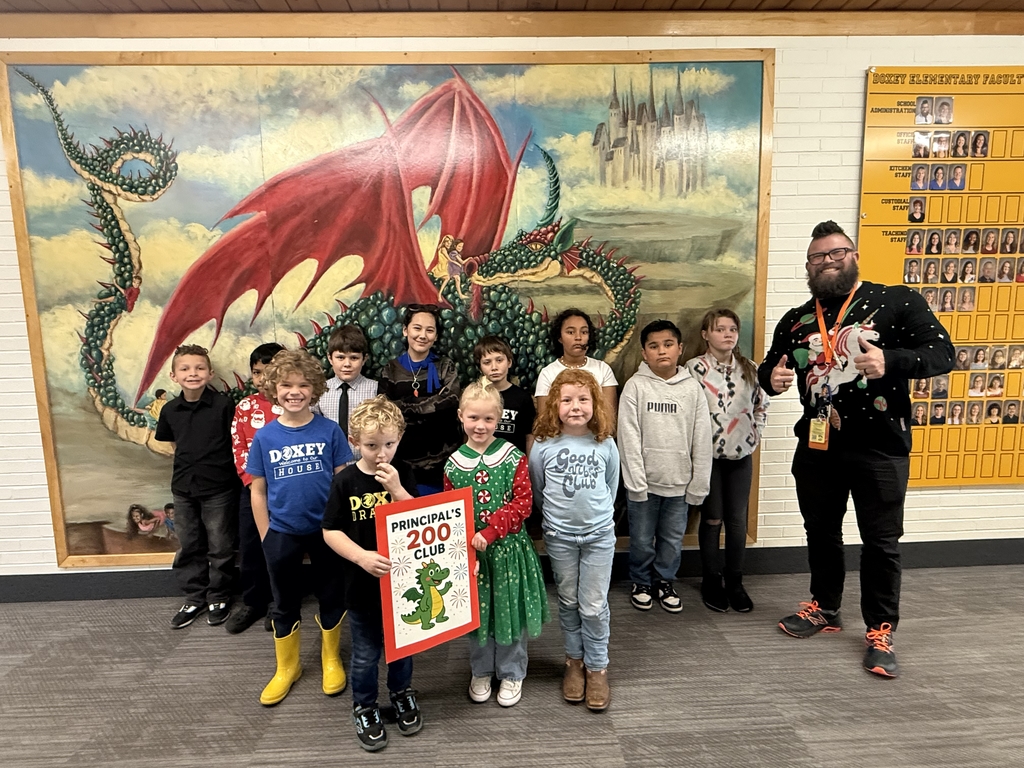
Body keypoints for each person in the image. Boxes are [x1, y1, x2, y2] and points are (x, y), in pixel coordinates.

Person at [759, 220, 954, 678]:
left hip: (880, 448)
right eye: (817, 257)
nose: (827, 262)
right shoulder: (797, 318)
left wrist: (892, 361)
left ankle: (880, 629)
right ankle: (824, 608)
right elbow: (771, 366)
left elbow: (943, 353)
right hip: (816, 444)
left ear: (855, 255)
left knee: (880, 543)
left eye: (835, 253)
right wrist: (774, 378)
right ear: (808, 266)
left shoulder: (896, 301)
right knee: (820, 531)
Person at [246, 349, 353, 706]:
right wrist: (266, 537)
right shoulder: (265, 437)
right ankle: (286, 668)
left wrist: (342, 528)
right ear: (274, 389)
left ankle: (331, 659)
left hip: (326, 531)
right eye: (287, 385)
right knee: (284, 601)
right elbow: (257, 491)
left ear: (315, 389)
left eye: (303, 384)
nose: (295, 391)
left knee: (332, 594)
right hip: (282, 532)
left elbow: (342, 483)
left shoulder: (330, 431)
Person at [321, 396, 421, 751]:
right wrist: (361, 557)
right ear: (354, 443)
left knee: (403, 648)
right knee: (365, 653)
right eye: (372, 445)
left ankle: (401, 693)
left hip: (402, 584)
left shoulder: (402, 472)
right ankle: (364, 706)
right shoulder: (345, 481)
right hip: (362, 584)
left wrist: (395, 488)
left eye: (389, 444)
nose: (382, 453)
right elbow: (330, 530)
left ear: (400, 439)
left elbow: (418, 518)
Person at [444, 379, 548, 709]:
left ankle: (512, 671)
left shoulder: (512, 456)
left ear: (499, 419)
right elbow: (450, 513)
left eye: (488, 419)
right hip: (473, 557)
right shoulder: (452, 464)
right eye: (474, 418)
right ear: (461, 416)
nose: (481, 425)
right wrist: (466, 546)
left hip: (508, 552)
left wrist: (490, 532)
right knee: (478, 615)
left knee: (509, 612)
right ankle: (481, 670)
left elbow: (523, 503)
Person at [529, 369, 619, 711]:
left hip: (599, 537)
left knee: (593, 606)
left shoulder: (604, 442)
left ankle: (597, 667)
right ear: (555, 405)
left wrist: (595, 517)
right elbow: (539, 490)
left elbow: (612, 486)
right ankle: (574, 663)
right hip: (560, 537)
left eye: (583, 400)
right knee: (568, 602)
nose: (575, 407)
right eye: (567, 400)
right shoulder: (543, 446)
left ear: (595, 403)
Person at [619, 319, 713, 614]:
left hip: (679, 483)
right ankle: (642, 582)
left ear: (680, 348)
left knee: (672, 540)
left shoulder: (692, 389)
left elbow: (702, 438)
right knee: (643, 540)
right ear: (644, 353)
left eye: (668, 344)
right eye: (654, 346)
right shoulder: (635, 387)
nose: (662, 351)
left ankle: (665, 581)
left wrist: (698, 485)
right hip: (644, 484)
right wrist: (635, 482)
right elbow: (628, 436)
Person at [685, 311, 768, 613]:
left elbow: (761, 406)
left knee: (737, 521)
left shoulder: (750, 369)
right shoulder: (693, 369)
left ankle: (735, 581)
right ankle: (711, 579)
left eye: (732, 329)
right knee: (712, 518)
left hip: (740, 455)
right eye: (720, 329)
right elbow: (688, 411)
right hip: (708, 457)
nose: (728, 334)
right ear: (706, 334)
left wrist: (753, 437)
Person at [155, 344, 240, 630]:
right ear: (173, 375)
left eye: (199, 368)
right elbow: (174, 444)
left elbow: (234, 442)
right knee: (189, 544)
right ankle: (194, 596)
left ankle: (219, 596)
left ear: (210, 373)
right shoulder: (170, 410)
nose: (193, 373)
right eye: (185, 368)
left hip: (219, 487)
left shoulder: (223, 406)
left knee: (220, 545)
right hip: (183, 489)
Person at [228, 342, 285, 634]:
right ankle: (252, 602)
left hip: (286, 490)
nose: (263, 379)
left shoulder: (293, 404)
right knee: (252, 547)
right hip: (252, 490)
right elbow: (239, 448)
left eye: (269, 371)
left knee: (282, 547)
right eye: (257, 372)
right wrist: (252, 484)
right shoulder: (244, 407)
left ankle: (280, 603)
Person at [379, 304, 461, 495]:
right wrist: (430, 405)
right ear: (405, 330)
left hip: (444, 463)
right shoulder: (390, 370)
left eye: (429, 330)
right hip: (402, 466)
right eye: (417, 328)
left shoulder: (445, 367)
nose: (422, 335)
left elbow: (450, 403)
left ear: (436, 336)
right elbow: (387, 411)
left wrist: (407, 407)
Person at [534, 308, 618, 420]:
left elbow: (609, 419)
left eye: (584, 332)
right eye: (570, 332)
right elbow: (545, 420)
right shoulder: (548, 373)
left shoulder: (603, 369)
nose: (578, 338)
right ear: (560, 337)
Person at [313, 325, 379, 459]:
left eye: (354, 358)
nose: (347, 364)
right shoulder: (319, 390)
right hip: (329, 464)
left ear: (364, 359)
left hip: (364, 464)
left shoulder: (375, 390)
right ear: (330, 358)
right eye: (340, 357)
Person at [474, 335, 536, 455]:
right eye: (487, 362)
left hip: (515, 464)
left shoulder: (522, 398)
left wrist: (528, 466)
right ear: (480, 367)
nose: (494, 367)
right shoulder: (476, 397)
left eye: (499, 360)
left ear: (509, 362)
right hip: (482, 464)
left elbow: (529, 436)